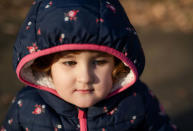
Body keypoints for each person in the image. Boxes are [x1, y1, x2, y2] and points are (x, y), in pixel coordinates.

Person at [1, 0, 178, 130]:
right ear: (46, 64)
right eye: (70, 62)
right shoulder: (26, 106)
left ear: (117, 63)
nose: (85, 78)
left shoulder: (138, 100)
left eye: (99, 62)